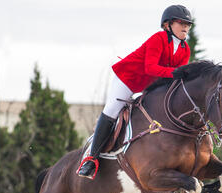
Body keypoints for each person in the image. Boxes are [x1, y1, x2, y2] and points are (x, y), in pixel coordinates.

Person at [77, 5, 193, 180]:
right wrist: (176, 73)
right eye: (181, 22)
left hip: (148, 85)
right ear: (168, 25)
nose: (185, 27)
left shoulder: (185, 49)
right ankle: (91, 159)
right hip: (127, 79)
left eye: (188, 24)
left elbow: (176, 77)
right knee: (112, 111)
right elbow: (151, 67)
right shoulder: (159, 38)